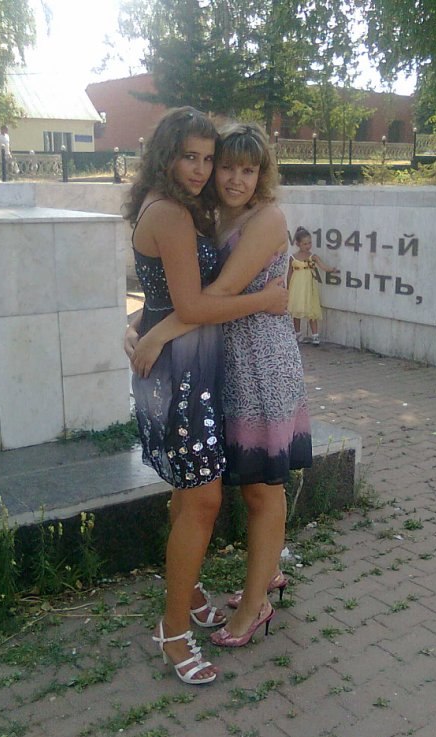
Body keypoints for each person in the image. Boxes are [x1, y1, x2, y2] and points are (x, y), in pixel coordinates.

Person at [129, 121, 312, 650]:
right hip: (220, 361)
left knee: (262, 487)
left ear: (263, 175)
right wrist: (138, 322)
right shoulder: (208, 213)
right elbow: (181, 288)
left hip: (260, 363)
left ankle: (256, 605)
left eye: (248, 170)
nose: (233, 178)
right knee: (227, 484)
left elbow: (217, 292)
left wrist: (156, 333)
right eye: (224, 166)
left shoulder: (266, 218)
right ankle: (262, 576)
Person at [287, 226, 338, 345]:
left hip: (309, 287)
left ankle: (315, 335)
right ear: (298, 244)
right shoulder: (292, 257)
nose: (308, 246)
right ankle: (297, 334)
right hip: (296, 287)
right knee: (296, 311)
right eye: (305, 244)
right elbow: (289, 273)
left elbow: (322, 266)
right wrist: (288, 288)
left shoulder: (312, 256)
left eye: (309, 243)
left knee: (312, 310)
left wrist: (331, 269)